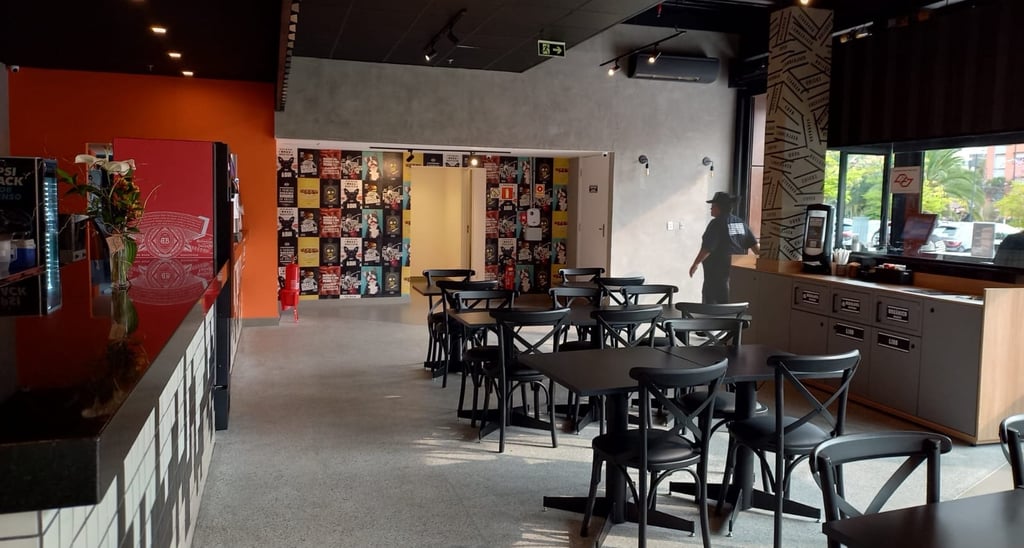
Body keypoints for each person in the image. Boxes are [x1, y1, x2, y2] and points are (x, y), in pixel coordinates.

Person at [689, 191, 760, 304]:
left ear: (719, 207)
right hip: (736, 274)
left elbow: (707, 248)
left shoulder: (716, 223)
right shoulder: (740, 223)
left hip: (716, 275)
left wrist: (696, 263)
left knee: (713, 307)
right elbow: (755, 246)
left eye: (713, 206)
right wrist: (762, 262)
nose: (711, 209)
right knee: (732, 303)